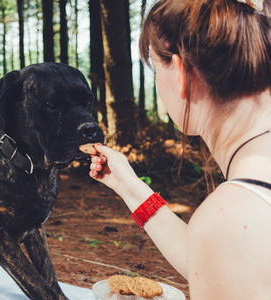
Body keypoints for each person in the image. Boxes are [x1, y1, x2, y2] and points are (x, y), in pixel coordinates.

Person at [89, 0, 271, 299]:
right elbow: (221, 261)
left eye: (154, 69)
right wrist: (129, 186)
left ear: (180, 73)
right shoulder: (240, 217)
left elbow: (225, 244)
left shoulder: (229, 222)